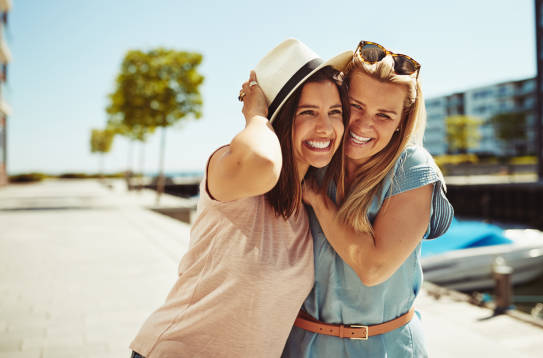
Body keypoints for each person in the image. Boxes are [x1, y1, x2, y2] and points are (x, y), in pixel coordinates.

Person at [129, 38, 352, 358]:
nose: (325, 127)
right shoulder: (231, 173)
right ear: (281, 117)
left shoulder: (303, 210)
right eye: (308, 112)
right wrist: (256, 114)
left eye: (335, 112)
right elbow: (264, 162)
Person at [282, 40, 454, 357]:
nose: (363, 124)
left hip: (383, 347)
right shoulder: (314, 161)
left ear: (402, 122)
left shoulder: (411, 168)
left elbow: (373, 268)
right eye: (356, 106)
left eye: (384, 116)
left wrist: (319, 202)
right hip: (300, 344)